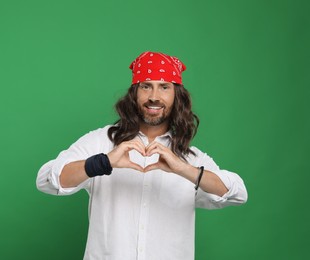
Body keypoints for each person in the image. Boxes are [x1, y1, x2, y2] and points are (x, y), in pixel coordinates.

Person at [36, 51, 248, 260]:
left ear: (177, 96)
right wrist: (104, 162)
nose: (154, 97)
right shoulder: (101, 142)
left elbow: (237, 193)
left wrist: (183, 169)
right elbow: (47, 180)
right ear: (135, 93)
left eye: (164, 87)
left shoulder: (190, 159)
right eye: (146, 86)